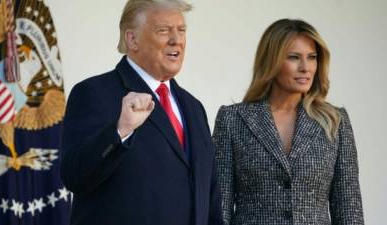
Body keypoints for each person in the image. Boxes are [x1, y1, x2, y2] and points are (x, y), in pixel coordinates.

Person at [60, 1, 223, 225]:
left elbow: (211, 199)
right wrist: (120, 131)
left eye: (181, 30)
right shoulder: (94, 93)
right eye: (163, 30)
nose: (177, 40)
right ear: (132, 39)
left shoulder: (194, 108)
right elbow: (74, 176)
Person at [213, 19, 364, 225]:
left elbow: (348, 208)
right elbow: (219, 206)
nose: (305, 67)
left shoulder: (335, 122)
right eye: (294, 57)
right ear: (271, 62)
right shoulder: (233, 120)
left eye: (312, 58)